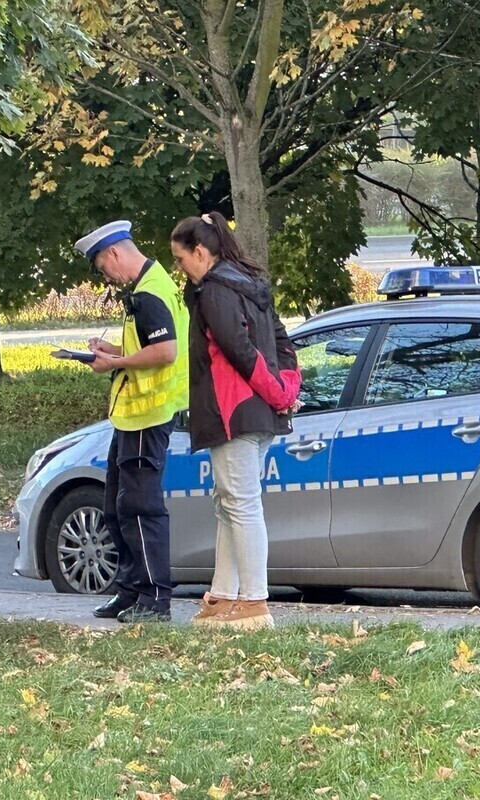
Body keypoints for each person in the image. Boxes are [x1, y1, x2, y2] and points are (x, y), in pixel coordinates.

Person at [169, 211, 300, 630]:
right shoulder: (250, 284)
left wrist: (276, 391)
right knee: (228, 501)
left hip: (233, 413)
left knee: (240, 503)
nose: (180, 268)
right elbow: (283, 343)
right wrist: (285, 389)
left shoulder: (214, 291)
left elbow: (240, 352)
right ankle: (224, 595)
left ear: (200, 252)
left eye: (180, 258)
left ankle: (254, 602)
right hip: (259, 414)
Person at [74, 220, 189, 623]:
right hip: (132, 417)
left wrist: (115, 362)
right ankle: (129, 591)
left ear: (115, 253)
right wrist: (114, 349)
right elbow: (150, 343)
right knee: (116, 507)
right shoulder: (150, 285)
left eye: (102, 267)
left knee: (140, 508)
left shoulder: (149, 293)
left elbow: (166, 351)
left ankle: (154, 600)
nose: (105, 276)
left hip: (147, 415)